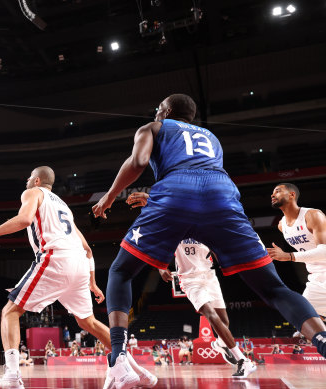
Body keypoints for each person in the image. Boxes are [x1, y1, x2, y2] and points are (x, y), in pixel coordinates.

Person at [91, 93, 326, 385]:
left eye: (158, 110)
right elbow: (200, 182)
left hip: (176, 193)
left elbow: (139, 162)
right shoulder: (212, 137)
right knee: (274, 288)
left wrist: (110, 197)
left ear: (164, 111)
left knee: (121, 270)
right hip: (222, 195)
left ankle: (119, 357)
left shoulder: (153, 127)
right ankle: (322, 338)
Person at [0, 166, 156, 389]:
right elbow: (87, 248)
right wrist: (92, 282)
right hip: (79, 263)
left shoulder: (32, 193)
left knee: (10, 311)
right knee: (88, 322)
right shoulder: (63, 206)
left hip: (56, 258)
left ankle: (12, 377)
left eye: (29, 176)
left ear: (36, 181)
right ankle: (133, 368)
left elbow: (24, 219)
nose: (26, 179)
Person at [129, 191, 250, 371]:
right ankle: (242, 360)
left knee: (224, 322)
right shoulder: (174, 226)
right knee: (211, 315)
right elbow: (159, 237)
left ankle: (220, 345)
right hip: (189, 280)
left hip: (210, 276)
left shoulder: (208, 225)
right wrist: (161, 268)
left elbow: (218, 249)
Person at [267, 183, 326, 320]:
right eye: (273, 192)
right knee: (303, 317)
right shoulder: (282, 226)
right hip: (316, 277)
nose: (272, 195)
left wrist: (289, 256)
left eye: (278, 191)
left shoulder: (313, 215)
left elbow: (324, 251)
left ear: (292, 195)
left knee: (306, 319)